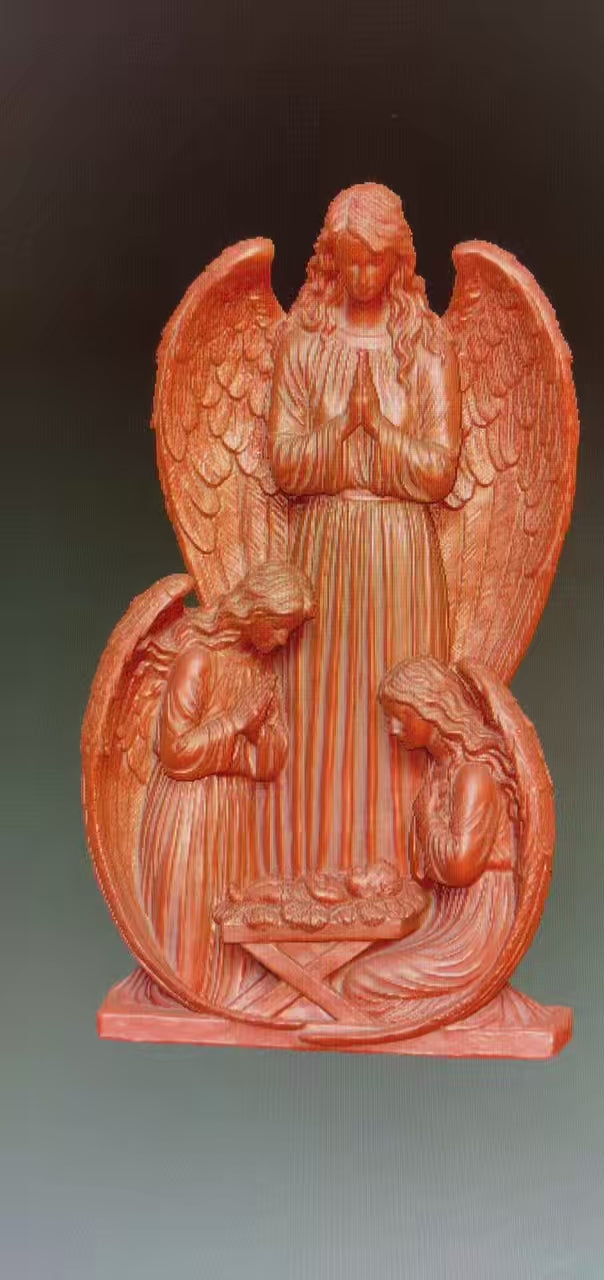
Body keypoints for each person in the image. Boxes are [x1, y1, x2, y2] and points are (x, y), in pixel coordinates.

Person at [268, 183, 462, 878]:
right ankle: (316, 872)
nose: (363, 273)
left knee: (395, 712)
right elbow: (284, 465)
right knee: (321, 709)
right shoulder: (302, 343)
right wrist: (337, 430)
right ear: (331, 259)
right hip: (322, 550)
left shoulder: (427, 346)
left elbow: (439, 471)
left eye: (376, 258)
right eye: (350, 258)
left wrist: (377, 429)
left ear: (399, 260)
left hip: (399, 556)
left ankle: (398, 880)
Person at [137, 562, 314, 1006]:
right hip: (189, 811)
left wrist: (255, 735)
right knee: (190, 912)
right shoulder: (198, 660)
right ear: (253, 612)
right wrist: (237, 724)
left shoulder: (259, 672)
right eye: (278, 627)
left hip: (231, 812)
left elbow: (270, 762)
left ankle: (222, 999)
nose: (282, 640)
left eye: (290, 631)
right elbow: (175, 752)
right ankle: (185, 993)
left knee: (224, 917)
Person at [339, 657, 518, 1023]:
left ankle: (449, 1013)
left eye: (400, 717)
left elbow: (459, 867)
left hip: (476, 926)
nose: (393, 729)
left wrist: (426, 817)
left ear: (431, 710)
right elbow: (424, 870)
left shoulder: (474, 776)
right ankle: (445, 1013)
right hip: (448, 917)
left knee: (359, 983)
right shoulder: (443, 770)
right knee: (358, 974)